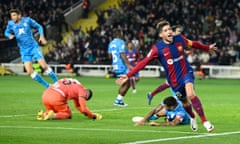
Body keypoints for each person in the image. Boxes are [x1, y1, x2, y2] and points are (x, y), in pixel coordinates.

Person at [116, 20, 217, 132]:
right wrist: (128, 75)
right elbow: (143, 62)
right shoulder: (157, 48)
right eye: (165, 30)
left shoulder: (180, 39)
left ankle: (205, 121)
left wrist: (207, 47)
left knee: (190, 93)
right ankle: (192, 117)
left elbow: (194, 44)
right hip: (174, 81)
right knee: (185, 103)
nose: (169, 31)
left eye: (169, 29)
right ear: (161, 35)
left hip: (186, 72)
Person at [4, 9, 58, 88]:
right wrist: (9, 35)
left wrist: (41, 36)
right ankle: (47, 86)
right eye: (11, 16)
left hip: (33, 47)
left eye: (14, 15)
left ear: (19, 15)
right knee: (29, 71)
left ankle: (58, 83)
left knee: (44, 66)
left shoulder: (28, 20)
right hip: (23, 50)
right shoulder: (11, 24)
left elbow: (39, 26)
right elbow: (6, 32)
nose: (12, 17)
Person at [37, 78, 103, 120]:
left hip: (46, 95)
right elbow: (83, 108)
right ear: (86, 93)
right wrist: (93, 116)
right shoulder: (82, 90)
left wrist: (87, 113)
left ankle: (43, 114)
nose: (83, 98)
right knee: (68, 114)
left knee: (55, 111)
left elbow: (78, 106)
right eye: (85, 98)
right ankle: (53, 116)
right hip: (57, 97)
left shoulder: (75, 82)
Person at [108, 30, 133, 107]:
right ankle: (118, 101)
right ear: (119, 34)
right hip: (121, 65)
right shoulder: (121, 42)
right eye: (122, 34)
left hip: (115, 65)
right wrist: (128, 64)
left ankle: (119, 100)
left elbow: (110, 56)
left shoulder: (111, 43)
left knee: (127, 82)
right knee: (128, 82)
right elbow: (122, 54)